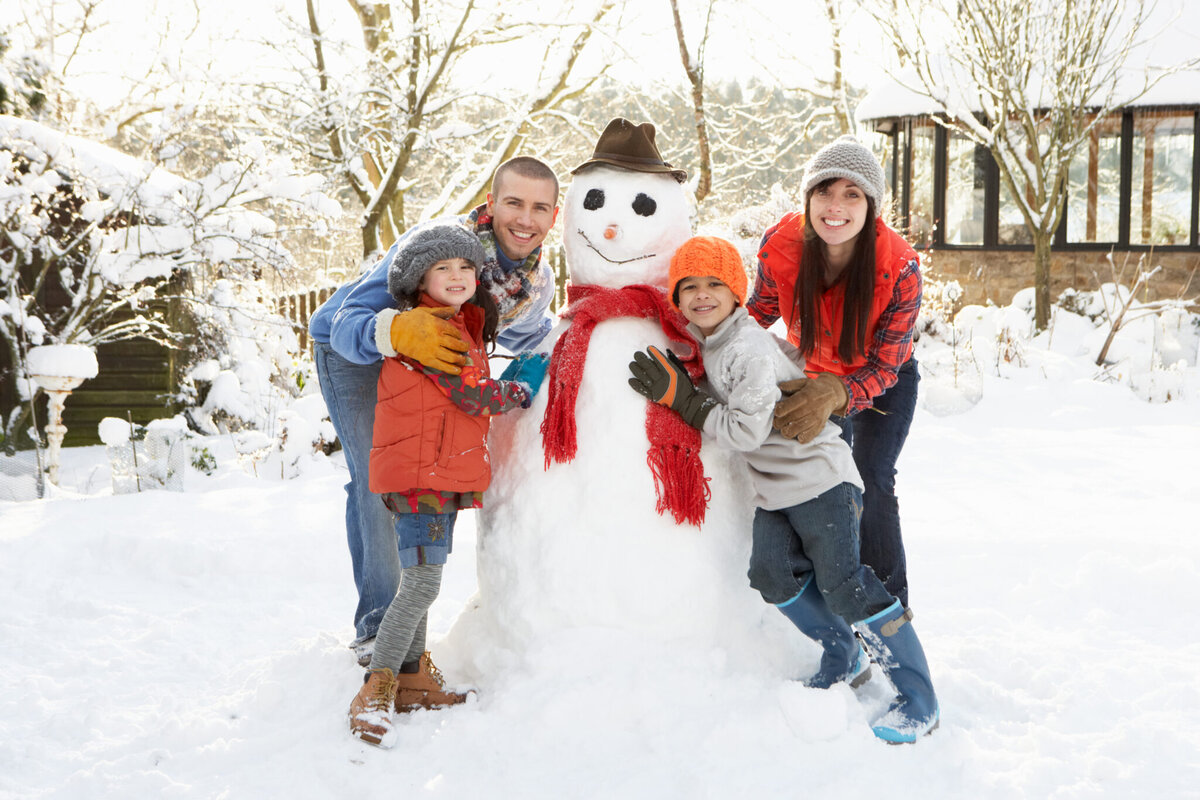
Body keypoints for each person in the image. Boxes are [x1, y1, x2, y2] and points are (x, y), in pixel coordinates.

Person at [627, 235, 938, 743]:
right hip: (774, 488)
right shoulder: (718, 342)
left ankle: (918, 696)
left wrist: (684, 400)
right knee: (770, 573)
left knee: (845, 584)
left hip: (820, 480)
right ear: (677, 297)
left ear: (736, 294)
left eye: (715, 285)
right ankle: (845, 653)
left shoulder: (746, 347)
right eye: (689, 287)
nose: (702, 295)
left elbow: (745, 431)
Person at [309, 157, 560, 665]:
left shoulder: (535, 284)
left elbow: (533, 337)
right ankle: (379, 631)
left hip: (434, 365)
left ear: (554, 217)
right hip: (357, 353)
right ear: (492, 204)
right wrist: (396, 331)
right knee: (382, 480)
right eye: (513, 203)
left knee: (426, 477)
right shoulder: (438, 244)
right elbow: (344, 320)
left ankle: (410, 628)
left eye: (539, 208)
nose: (525, 219)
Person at [347, 224, 550, 747]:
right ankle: (377, 688)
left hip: (432, 469)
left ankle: (412, 680)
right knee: (421, 584)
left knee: (423, 578)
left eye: (465, 267)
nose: (458, 276)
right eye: (444, 269)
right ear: (421, 279)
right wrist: (522, 386)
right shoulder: (431, 328)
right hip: (421, 474)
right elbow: (471, 397)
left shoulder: (454, 321)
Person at [747, 135, 923, 608]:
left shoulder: (900, 267)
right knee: (824, 482)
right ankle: (825, 604)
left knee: (872, 476)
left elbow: (887, 365)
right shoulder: (780, 247)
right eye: (825, 190)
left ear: (872, 206)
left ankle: (888, 609)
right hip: (815, 377)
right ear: (808, 198)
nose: (835, 205)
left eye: (852, 194)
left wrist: (835, 394)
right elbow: (755, 315)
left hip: (883, 381)